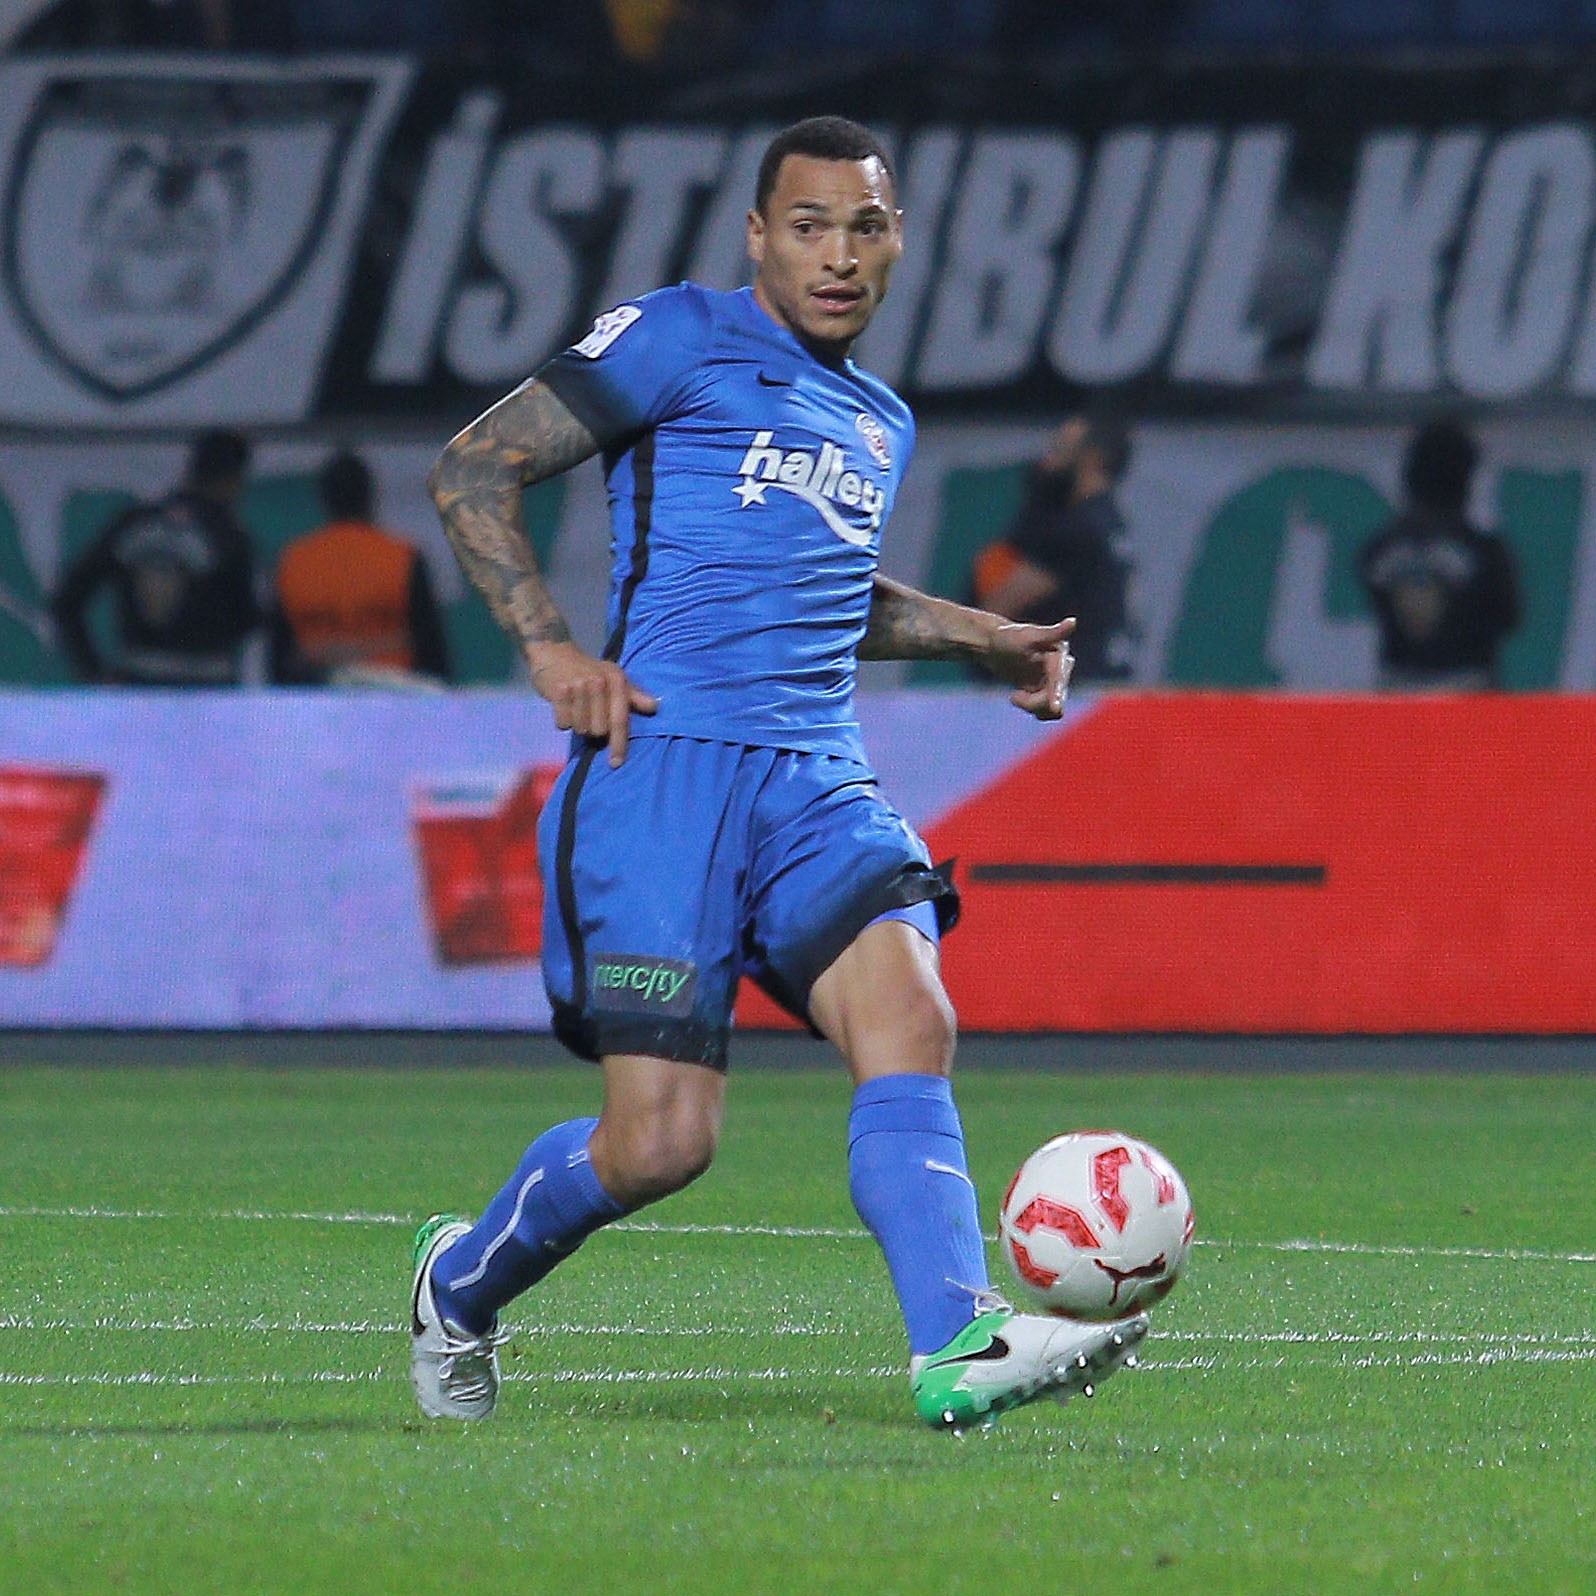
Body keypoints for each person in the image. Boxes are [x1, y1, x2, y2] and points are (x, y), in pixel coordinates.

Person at [412, 115, 1148, 1432]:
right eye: (809, 227)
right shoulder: (677, 336)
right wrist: (550, 648)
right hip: (663, 776)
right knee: (661, 1143)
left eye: (865, 228)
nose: (838, 256)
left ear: (898, 242)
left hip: (814, 778)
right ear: (759, 236)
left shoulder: (878, 419)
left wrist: (981, 637)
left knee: (910, 1014)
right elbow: (474, 467)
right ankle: (458, 1284)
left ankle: (959, 1339)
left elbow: (823, 592)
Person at [51, 427, 260, 686]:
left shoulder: (133, 523)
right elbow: (247, 618)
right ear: (234, 480)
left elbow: (66, 601)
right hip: (206, 687)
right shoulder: (228, 534)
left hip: (137, 682)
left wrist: (92, 670)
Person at [974, 411, 1137, 683]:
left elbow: (996, 615)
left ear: (1093, 459)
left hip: (1071, 683)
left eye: (1059, 450)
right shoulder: (1111, 523)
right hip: (1108, 678)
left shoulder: (1076, 529)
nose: (1046, 462)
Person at [1358, 418, 1521, 691]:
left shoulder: (1378, 550)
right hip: (1469, 691)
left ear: (1410, 477)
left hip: (1397, 692)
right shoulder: (1484, 552)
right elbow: (1509, 617)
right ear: (1464, 481)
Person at [269, 449, 452, 687]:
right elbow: (432, 650)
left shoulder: (293, 561)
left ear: (324, 500)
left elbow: (279, 657)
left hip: (315, 696)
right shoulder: (403, 557)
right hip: (394, 695)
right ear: (369, 497)